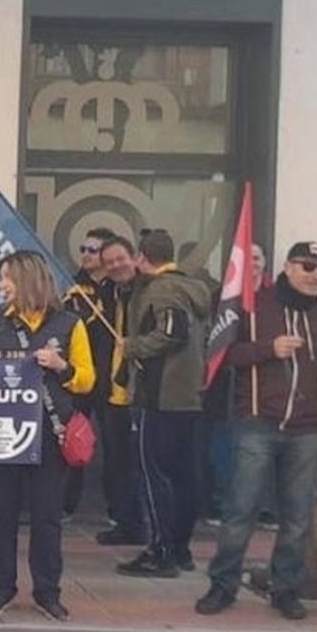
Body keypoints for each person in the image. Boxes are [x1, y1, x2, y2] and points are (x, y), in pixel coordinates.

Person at [196, 243, 317, 620]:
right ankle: (222, 586)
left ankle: (286, 589)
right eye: (307, 266)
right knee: (240, 511)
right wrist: (267, 349)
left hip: (306, 430)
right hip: (256, 422)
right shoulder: (254, 306)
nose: (315, 275)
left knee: (296, 517)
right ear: (288, 267)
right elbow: (220, 356)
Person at [0, 251, 95, 621]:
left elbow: (88, 380)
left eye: (8, 277)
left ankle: (47, 591)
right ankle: (1, 587)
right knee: (1, 514)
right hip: (4, 430)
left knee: (47, 516)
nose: (3, 285)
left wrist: (61, 366)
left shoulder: (70, 324)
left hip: (50, 430)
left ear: (27, 279)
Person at [113, 229, 212, 579]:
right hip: (189, 397)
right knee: (182, 476)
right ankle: (180, 548)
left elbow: (172, 331)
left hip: (160, 396)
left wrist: (134, 346)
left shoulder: (162, 289)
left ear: (142, 258)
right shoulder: (193, 287)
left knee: (153, 473)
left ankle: (161, 550)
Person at [61, 228, 116, 522]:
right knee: (72, 438)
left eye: (92, 250)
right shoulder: (72, 286)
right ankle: (66, 505)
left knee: (114, 445)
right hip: (80, 374)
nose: (85, 254)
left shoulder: (119, 288)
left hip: (111, 376)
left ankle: (116, 509)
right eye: (83, 248)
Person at [94, 236, 144, 546]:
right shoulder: (105, 293)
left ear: (135, 257)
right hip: (111, 391)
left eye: (119, 258)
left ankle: (143, 525)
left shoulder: (148, 290)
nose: (115, 265)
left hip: (142, 391)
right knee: (117, 461)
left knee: (141, 463)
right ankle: (125, 521)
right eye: (109, 262)